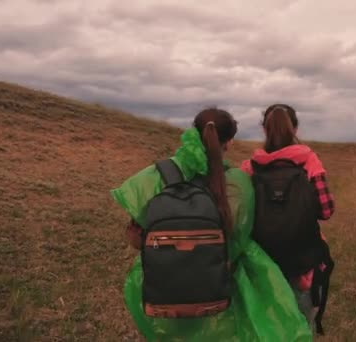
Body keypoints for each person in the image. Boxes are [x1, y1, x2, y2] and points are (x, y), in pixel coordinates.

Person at [111, 108, 312, 341]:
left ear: (194, 131)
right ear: (229, 142)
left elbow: (136, 238)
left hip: (165, 295)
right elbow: (238, 240)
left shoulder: (155, 175)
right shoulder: (239, 183)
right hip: (221, 295)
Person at [240, 104, 335, 334]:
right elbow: (326, 210)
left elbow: (240, 217)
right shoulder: (309, 160)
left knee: (266, 328)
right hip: (304, 266)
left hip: (262, 265)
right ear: (295, 128)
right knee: (302, 327)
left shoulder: (249, 168)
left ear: (264, 130)